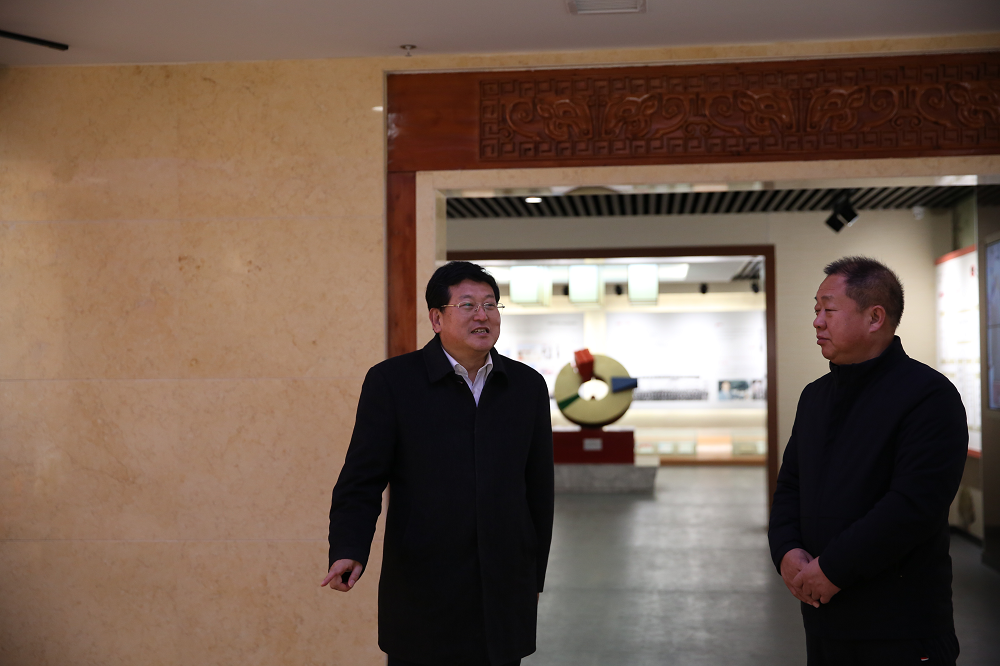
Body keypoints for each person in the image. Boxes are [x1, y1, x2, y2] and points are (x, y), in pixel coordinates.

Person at [321, 261, 554, 666]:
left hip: (504, 585)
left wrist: (533, 576)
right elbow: (361, 479)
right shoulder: (393, 382)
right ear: (436, 318)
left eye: (490, 305)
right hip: (423, 583)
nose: (482, 315)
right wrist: (348, 547)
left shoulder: (526, 386)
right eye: (467, 305)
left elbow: (539, 490)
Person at [768, 256, 968, 666]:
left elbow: (913, 506)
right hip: (824, 618)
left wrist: (833, 569)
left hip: (900, 627)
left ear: (875, 317)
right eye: (816, 310)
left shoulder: (929, 396)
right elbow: (791, 486)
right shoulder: (815, 396)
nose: (817, 322)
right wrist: (786, 551)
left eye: (828, 310)